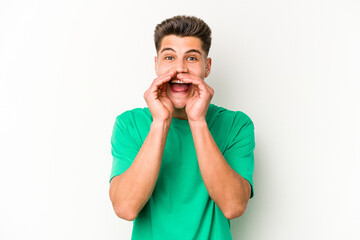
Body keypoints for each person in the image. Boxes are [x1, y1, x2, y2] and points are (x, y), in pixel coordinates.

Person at [109, 15, 255, 240]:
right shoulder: (130, 124)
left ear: (207, 67)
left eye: (192, 58)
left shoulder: (236, 125)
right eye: (169, 57)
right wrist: (160, 122)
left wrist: (197, 121)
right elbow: (126, 208)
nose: (179, 68)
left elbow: (234, 206)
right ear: (156, 64)